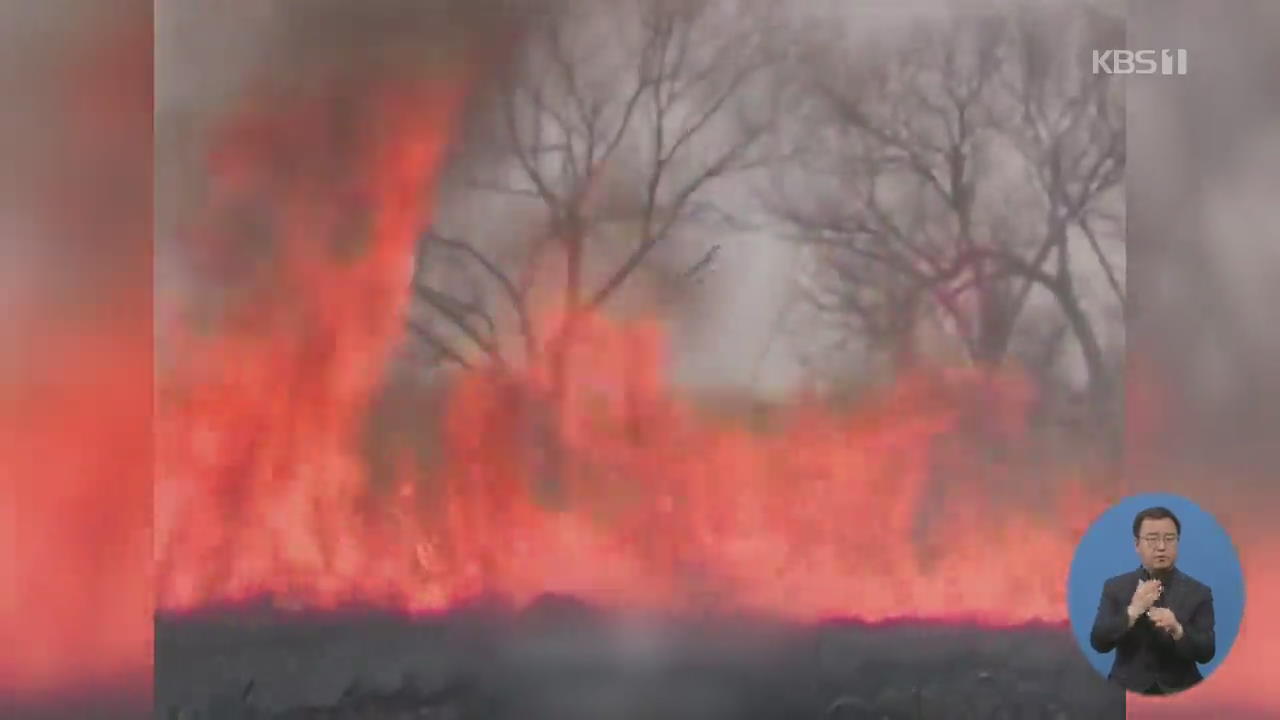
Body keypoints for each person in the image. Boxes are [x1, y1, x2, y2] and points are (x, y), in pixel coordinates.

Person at [1088, 506, 1216, 695]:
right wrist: (1132, 611)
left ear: (1178, 542)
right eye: (1152, 539)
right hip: (1125, 690)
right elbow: (1099, 642)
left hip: (1181, 690)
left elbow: (1206, 653)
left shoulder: (1198, 592)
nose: (1162, 546)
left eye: (1169, 539)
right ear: (1137, 544)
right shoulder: (1115, 587)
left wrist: (1177, 629)